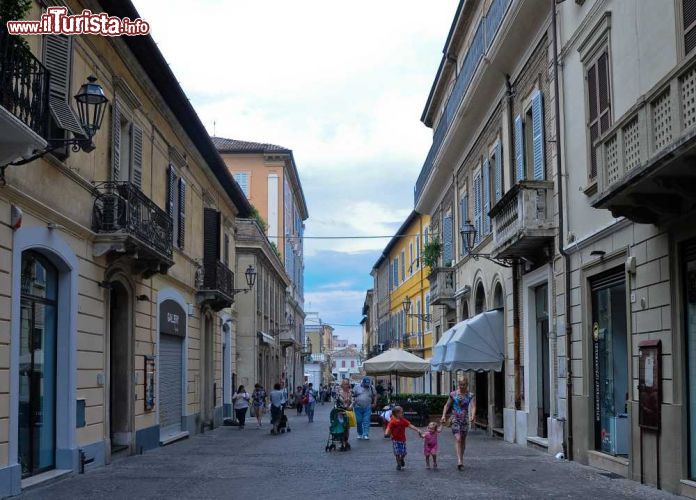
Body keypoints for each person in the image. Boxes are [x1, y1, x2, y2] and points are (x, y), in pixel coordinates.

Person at [441, 378, 476, 470]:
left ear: (467, 385)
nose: (462, 386)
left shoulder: (470, 395)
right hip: (455, 418)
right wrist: (443, 415)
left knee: (463, 440)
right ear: (458, 384)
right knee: (458, 438)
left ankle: (462, 458)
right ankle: (459, 460)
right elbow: (447, 405)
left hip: (464, 420)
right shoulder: (453, 394)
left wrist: (472, 415)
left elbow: (473, 406)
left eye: (464, 384)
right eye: (461, 384)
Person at [385, 406, 422, 470]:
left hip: (402, 439)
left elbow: (410, 425)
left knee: (404, 453)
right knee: (397, 453)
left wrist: (417, 429)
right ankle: (398, 464)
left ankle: (401, 459)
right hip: (395, 440)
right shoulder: (392, 421)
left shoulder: (403, 420)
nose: (402, 414)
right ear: (396, 414)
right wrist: (386, 433)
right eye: (401, 413)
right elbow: (388, 427)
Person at [335, 379, 354, 451]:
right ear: (342, 385)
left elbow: (353, 401)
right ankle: (341, 441)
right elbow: (337, 402)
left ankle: (346, 441)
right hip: (341, 412)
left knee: (347, 428)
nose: (346, 386)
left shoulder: (351, 393)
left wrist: (351, 406)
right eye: (345, 384)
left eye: (347, 384)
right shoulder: (339, 393)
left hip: (349, 411)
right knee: (341, 427)